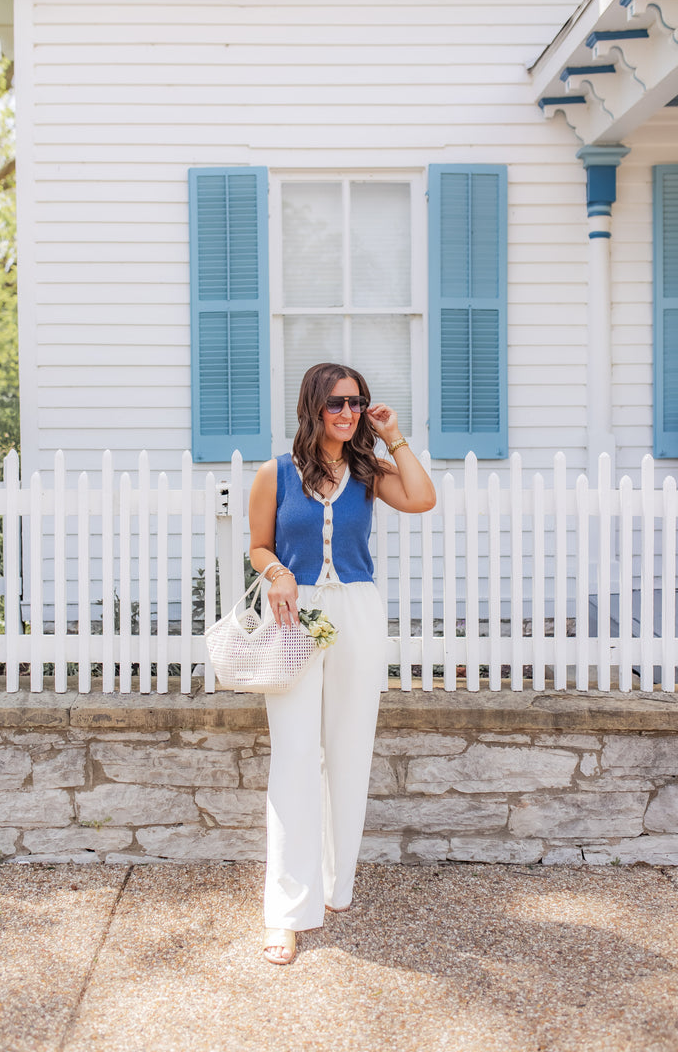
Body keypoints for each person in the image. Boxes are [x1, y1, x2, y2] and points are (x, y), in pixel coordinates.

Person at [248, 362, 436, 965]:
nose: (348, 412)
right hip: (294, 617)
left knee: (350, 751)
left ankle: (334, 887)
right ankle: (286, 912)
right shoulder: (274, 473)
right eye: (336, 403)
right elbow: (257, 545)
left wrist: (393, 435)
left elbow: (422, 498)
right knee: (296, 756)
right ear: (312, 407)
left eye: (357, 402)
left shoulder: (367, 471)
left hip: (357, 612)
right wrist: (277, 572)